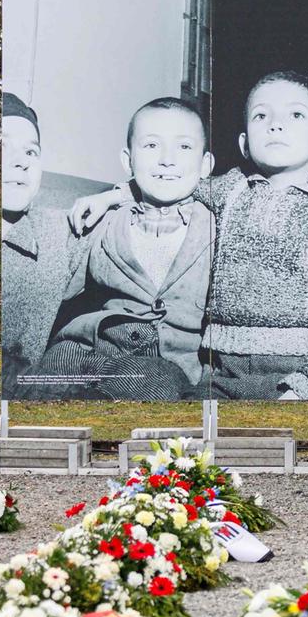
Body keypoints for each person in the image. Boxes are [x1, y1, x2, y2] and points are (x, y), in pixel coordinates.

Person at [198, 70, 308, 399]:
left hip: (299, 372)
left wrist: (305, 388)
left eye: (296, 114)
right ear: (244, 143)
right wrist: (115, 196)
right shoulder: (229, 189)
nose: (275, 124)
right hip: (219, 371)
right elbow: (177, 186)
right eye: (261, 115)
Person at [42, 97, 217, 398]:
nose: (167, 159)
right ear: (128, 161)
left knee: (161, 385)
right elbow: (55, 280)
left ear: (206, 165)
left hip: (174, 367)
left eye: (184, 147)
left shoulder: (216, 224)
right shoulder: (106, 220)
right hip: (95, 347)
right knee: (53, 365)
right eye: (151, 146)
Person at [0, 93, 83, 396]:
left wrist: (116, 195)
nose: (20, 161)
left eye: (31, 152)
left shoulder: (55, 231)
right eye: (1, 146)